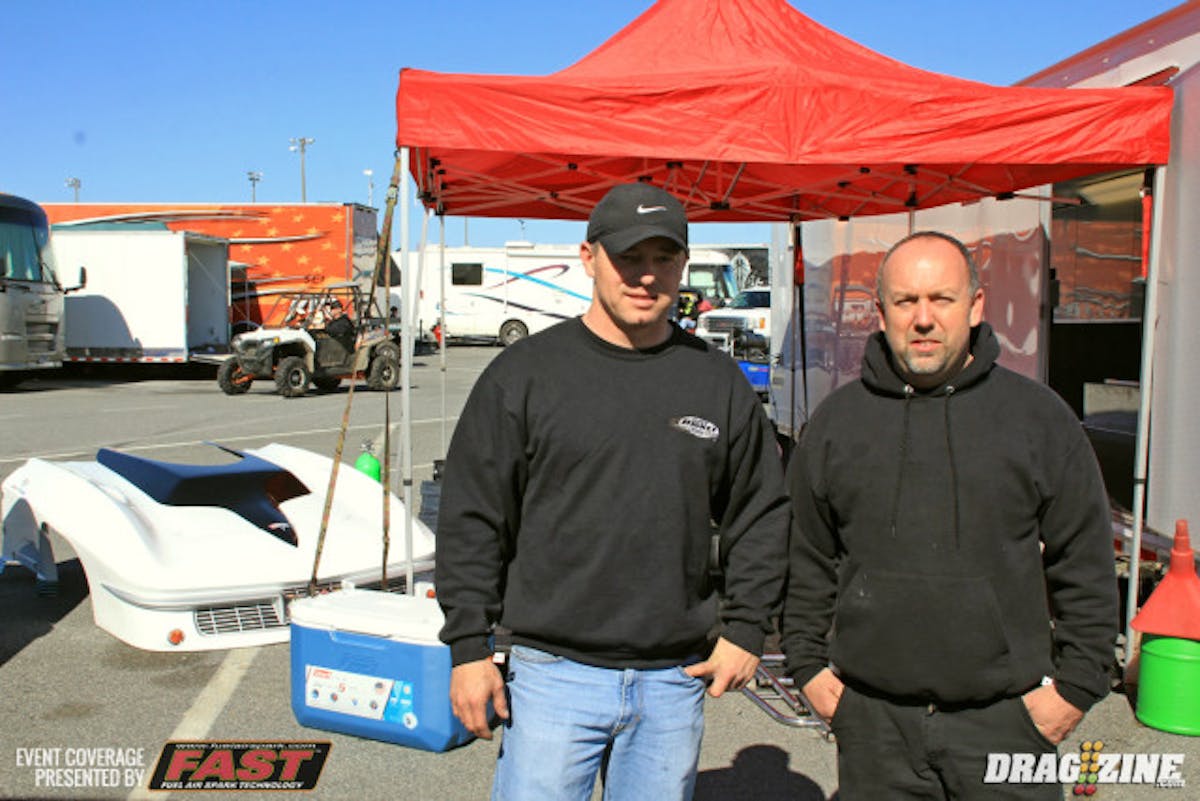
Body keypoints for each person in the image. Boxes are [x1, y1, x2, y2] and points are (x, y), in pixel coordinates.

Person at [435, 182, 789, 801]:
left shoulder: (716, 381)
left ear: (682, 264)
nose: (645, 277)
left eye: (662, 259)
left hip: (674, 679)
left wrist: (747, 628)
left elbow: (760, 512)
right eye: (629, 257)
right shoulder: (525, 375)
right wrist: (469, 646)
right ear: (589, 256)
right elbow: (472, 516)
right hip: (551, 675)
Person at [781, 231, 1118, 800]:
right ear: (881, 311)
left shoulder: (1037, 419)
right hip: (874, 729)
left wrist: (1075, 690)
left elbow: (1084, 559)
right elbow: (805, 558)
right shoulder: (837, 424)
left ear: (976, 306)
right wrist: (809, 667)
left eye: (942, 299)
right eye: (906, 301)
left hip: (1007, 726)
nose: (924, 318)